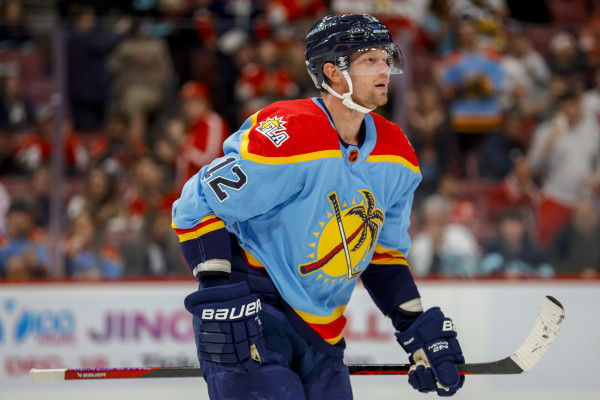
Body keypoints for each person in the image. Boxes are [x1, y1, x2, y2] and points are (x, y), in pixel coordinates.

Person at [172, 14, 465, 399]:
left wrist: (413, 326)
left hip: (322, 336)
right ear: (333, 72)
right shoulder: (291, 131)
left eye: (386, 58)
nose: (384, 69)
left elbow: (382, 253)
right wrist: (218, 288)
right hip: (254, 312)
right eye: (370, 60)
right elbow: (196, 202)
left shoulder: (398, 155)